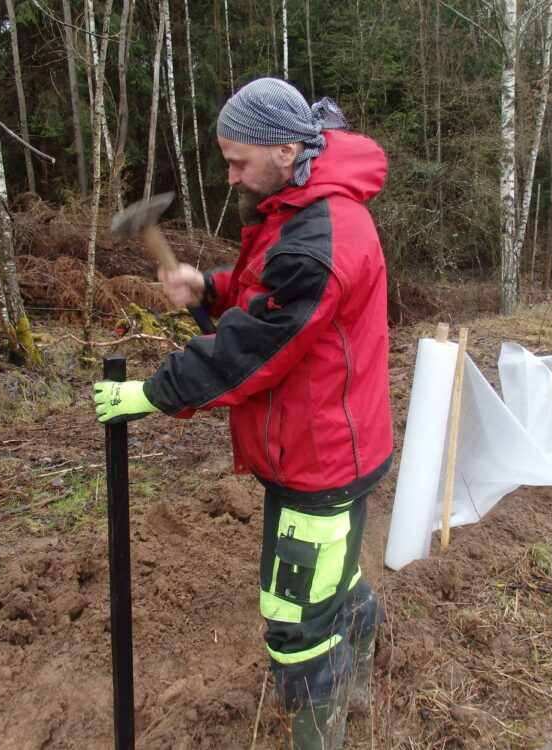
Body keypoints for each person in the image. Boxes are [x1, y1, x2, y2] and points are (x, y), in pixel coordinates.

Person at [93, 78, 392, 749]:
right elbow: (266, 293)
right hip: (333, 443)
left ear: (287, 150)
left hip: (321, 461)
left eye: (238, 161)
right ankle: (360, 691)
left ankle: (327, 724)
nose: (230, 178)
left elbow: (254, 345)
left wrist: (151, 392)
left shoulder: (321, 235)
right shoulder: (300, 205)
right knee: (335, 582)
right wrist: (208, 287)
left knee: (294, 622)